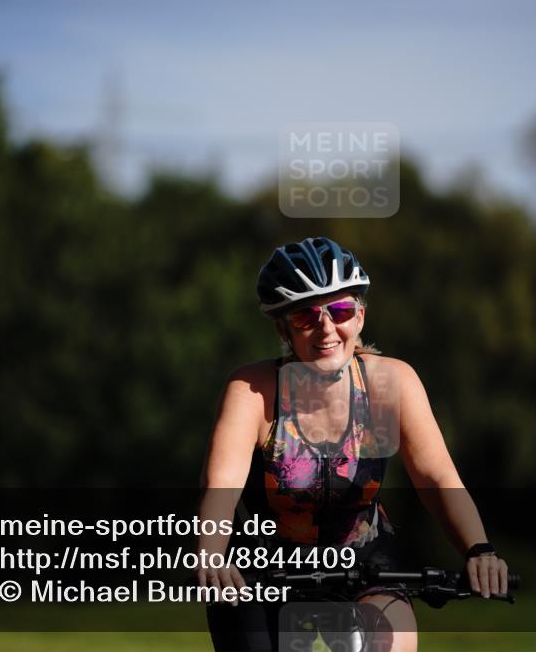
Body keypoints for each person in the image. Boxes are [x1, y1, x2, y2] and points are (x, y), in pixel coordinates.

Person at [197, 236, 508, 652]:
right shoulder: (253, 390)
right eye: (306, 316)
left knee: (390, 642)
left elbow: (436, 477)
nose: (326, 327)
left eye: (340, 310)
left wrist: (479, 549)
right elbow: (220, 486)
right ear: (283, 328)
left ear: (360, 316)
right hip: (264, 569)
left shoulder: (391, 383)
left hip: (361, 559)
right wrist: (211, 555)